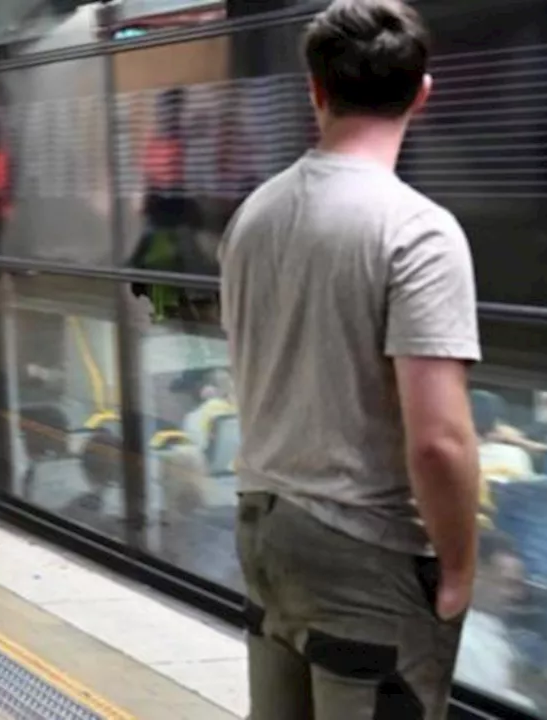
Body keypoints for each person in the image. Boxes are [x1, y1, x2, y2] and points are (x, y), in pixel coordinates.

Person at [218, 1, 482, 718]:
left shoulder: (253, 216)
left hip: (263, 525)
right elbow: (438, 439)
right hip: (362, 551)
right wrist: (458, 568)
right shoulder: (417, 232)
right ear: (422, 93)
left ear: (316, 90)